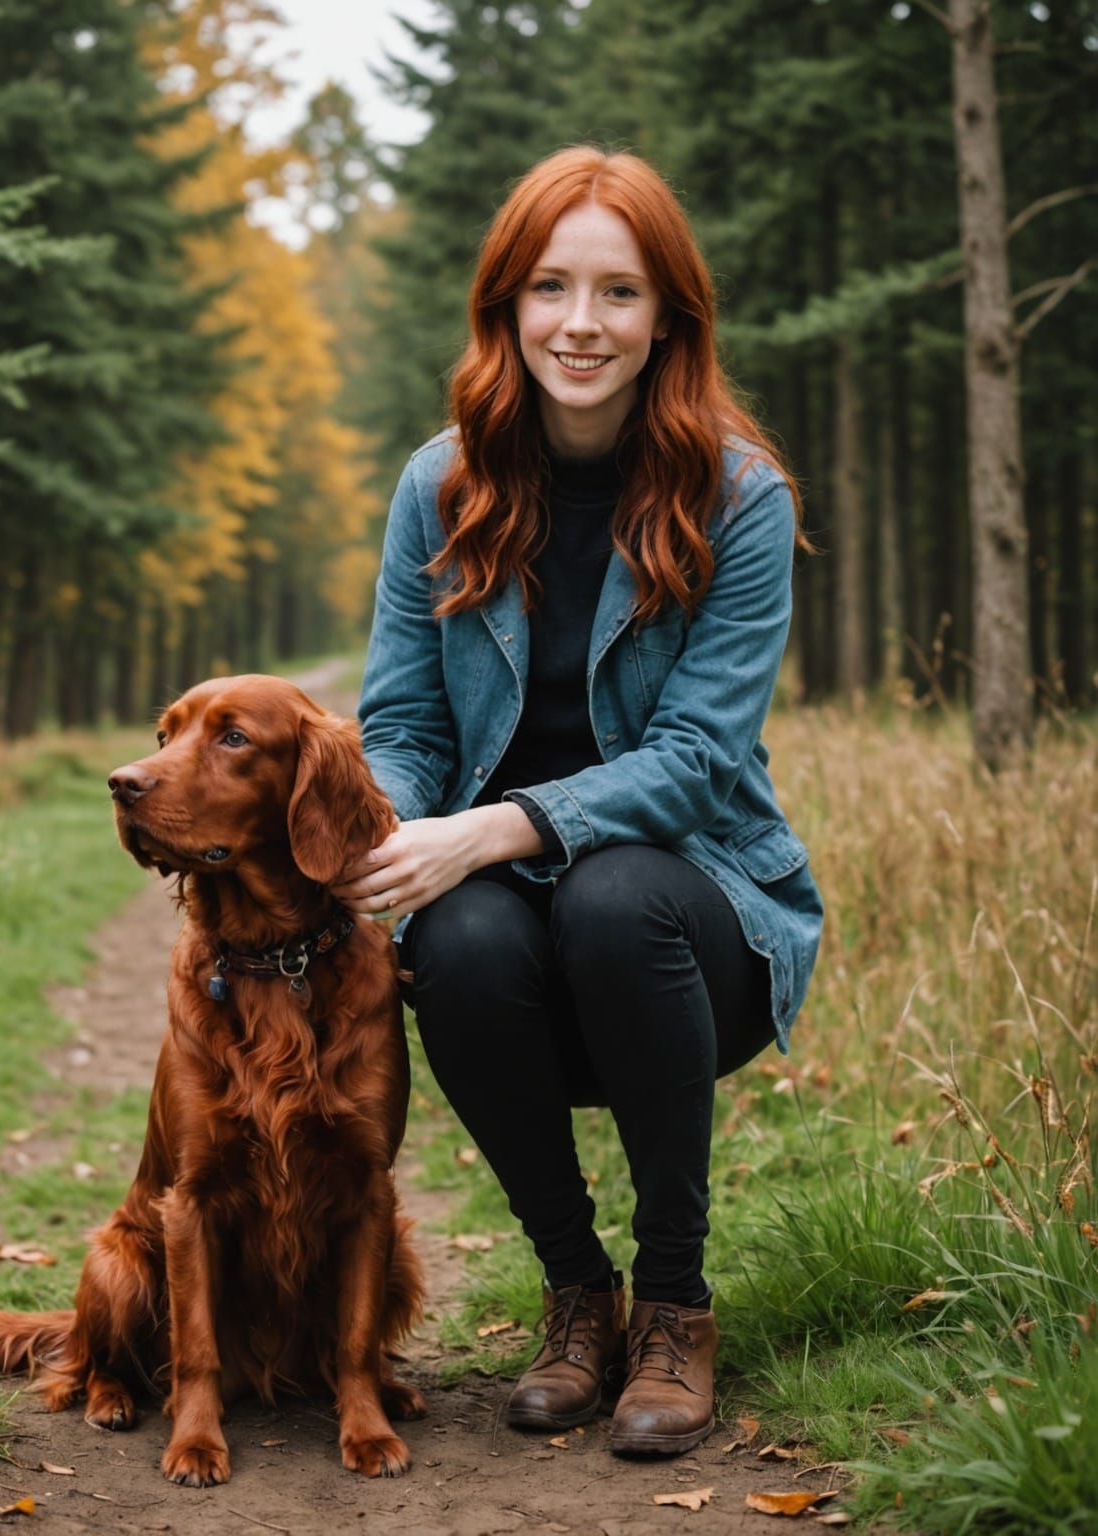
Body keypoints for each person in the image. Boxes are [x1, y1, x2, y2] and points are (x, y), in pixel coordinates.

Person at [330, 145, 825, 1457]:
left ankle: (672, 1303)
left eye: (618, 292)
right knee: (463, 928)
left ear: (669, 314)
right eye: (551, 287)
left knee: (608, 892)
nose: (582, 324)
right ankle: (576, 1295)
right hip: (512, 951)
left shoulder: (743, 496)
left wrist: (496, 828)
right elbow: (405, 720)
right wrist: (387, 848)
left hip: (691, 927)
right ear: (507, 306)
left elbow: (699, 757)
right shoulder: (439, 486)